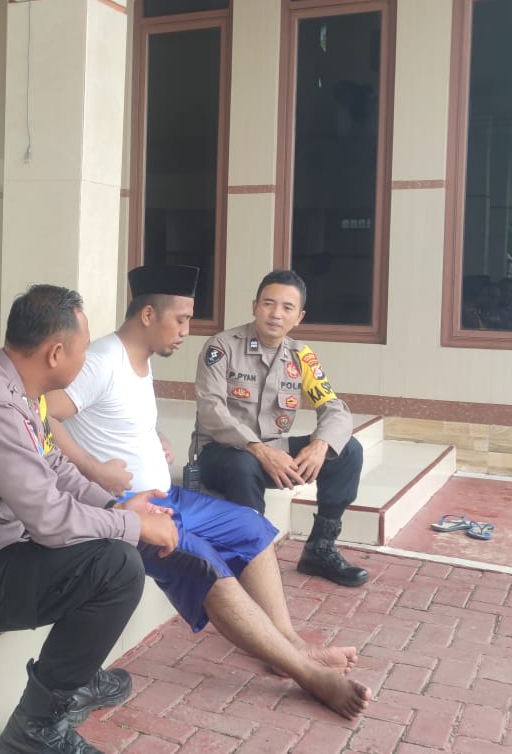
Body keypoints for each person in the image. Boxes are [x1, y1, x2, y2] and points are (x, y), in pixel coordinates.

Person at [46, 264, 372, 720]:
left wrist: (152, 437)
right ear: (147, 316)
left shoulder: (139, 360)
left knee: (252, 527)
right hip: (132, 510)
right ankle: (308, 673)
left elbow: (114, 419)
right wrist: (93, 470)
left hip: (167, 496)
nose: (187, 330)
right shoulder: (104, 360)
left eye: (287, 308)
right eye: (181, 319)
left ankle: (291, 644)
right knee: (207, 563)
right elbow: (42, 413)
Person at [0, 284, 180, 754]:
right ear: (55, 353)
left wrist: (116, 509)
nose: (87, 358)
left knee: (110, 546)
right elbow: (51, 521)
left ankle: (75, 675)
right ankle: (35, 730)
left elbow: (54, 467)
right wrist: (133, 525)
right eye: (84, 348)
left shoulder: (17, 388)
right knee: (115, 567)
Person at [190, 269, 369, 587]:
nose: (276, 314)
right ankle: (251, 559)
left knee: (348, 450)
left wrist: (320, 445)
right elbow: (211, 410)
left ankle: (320, 549)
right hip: (221, 454)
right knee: (244, 463)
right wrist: (259, 450)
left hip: (274, 453)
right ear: (255, 306)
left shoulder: (301, 356)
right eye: (268, 303)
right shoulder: (223, 346)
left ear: (299, 317)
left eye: (287, 308)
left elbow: (334, 408)